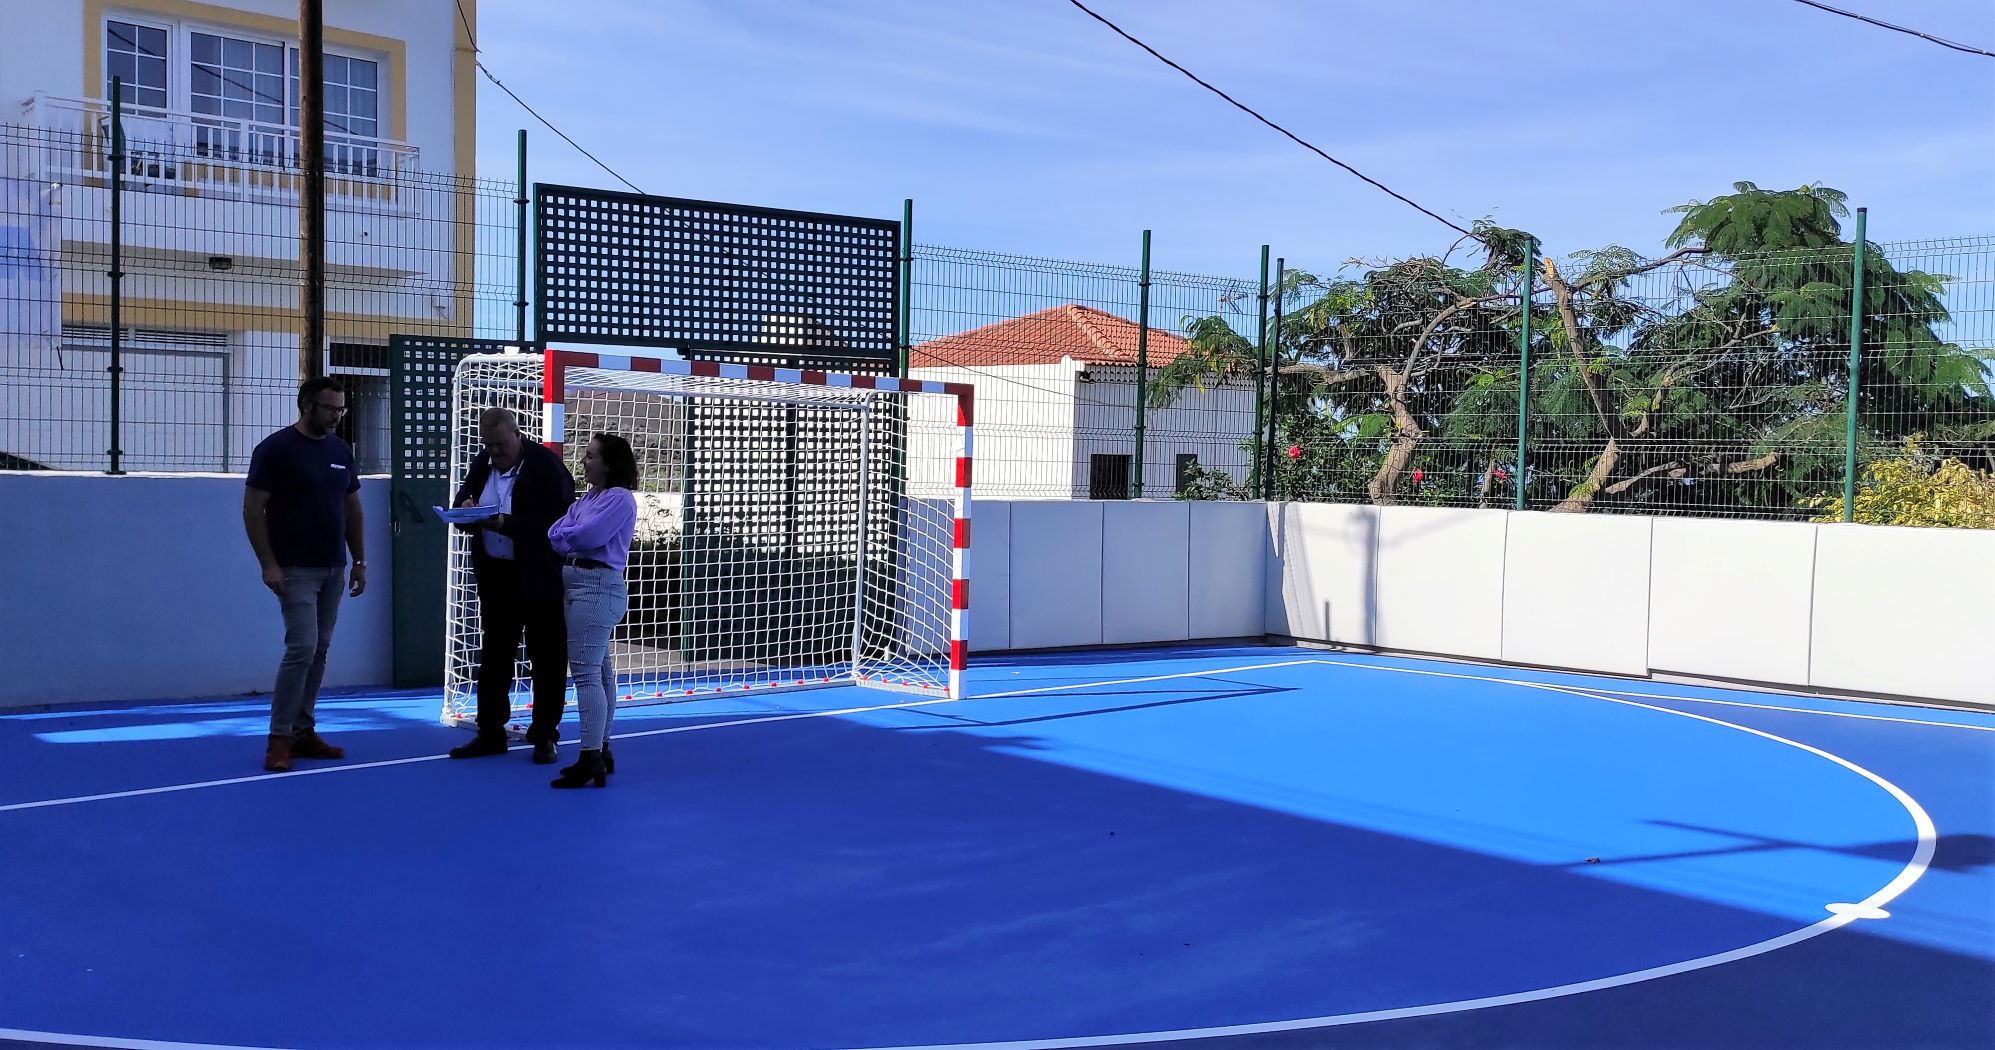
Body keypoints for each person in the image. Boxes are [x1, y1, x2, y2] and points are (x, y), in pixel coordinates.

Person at [243, 377, 365, 773]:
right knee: (301, 648)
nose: (337, 415)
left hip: (333, 567)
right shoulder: (276, 449)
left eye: (341, 409)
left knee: (319, 650)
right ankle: (278, 738)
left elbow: (352, 508)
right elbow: (252, 509)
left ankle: (302, 730)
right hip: (295, 568)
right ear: (307, 406)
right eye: (331, 409)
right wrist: (268, 564)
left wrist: (359, 560)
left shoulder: (340, 451)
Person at [446, 408, 576, 764]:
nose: (496, 452)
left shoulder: (546, 468)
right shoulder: (482, 463)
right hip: (496, 576)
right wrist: (466, 508)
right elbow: (462, 503)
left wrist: (505, 523)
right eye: (489, 445)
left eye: (501, 444)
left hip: (539, 576)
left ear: (518, 435)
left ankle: (545, 734)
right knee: (495, 657)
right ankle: (490, 731)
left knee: (547, 656)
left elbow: (560, 523)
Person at [545, 433, 639, 789]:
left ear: (609, 464)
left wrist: (571, 533)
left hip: (598, 587)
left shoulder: (619, 500)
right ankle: (600, 749)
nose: (583, 461)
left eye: (590, 456)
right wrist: (572, 532)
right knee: (600, 670)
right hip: (578, 584)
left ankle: (590, 755)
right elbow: (558, 530)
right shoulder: (589, 497)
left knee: (587, 674)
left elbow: (585, 537)